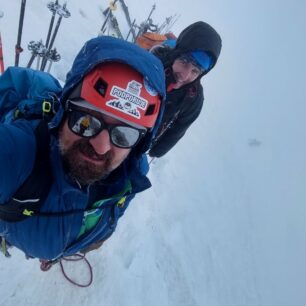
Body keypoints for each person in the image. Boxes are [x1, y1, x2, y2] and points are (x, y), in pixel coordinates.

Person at [0, 36, 165, 261]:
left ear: (139, 143)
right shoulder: (19, 155)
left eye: (124, 134)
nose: (101, 146)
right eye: (85, 121)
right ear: (64, 111)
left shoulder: (134, 172)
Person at [148, 21, 222, 158]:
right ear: (177, 53)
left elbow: (178, 129)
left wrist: (157, 151)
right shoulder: (153, 62)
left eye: (195, 71)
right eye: (184, 62)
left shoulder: (194, 98)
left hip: (147, 138)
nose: (185, 75)